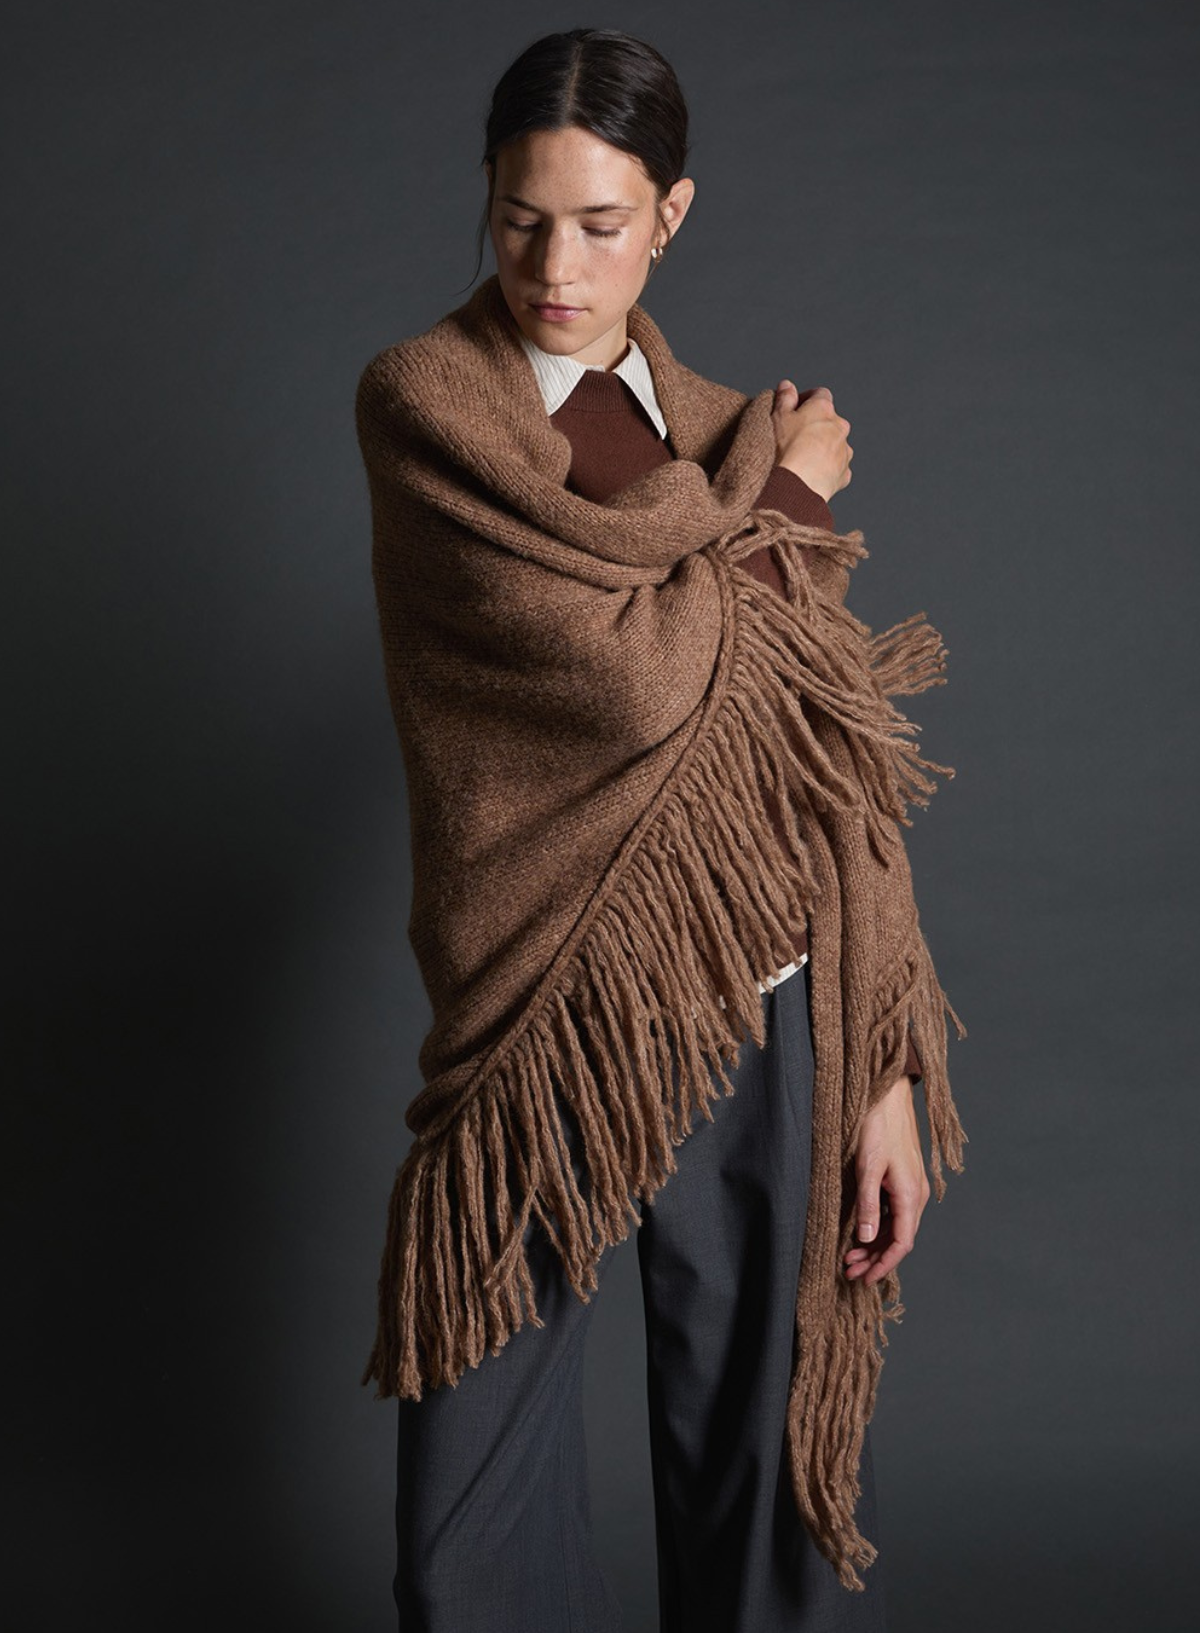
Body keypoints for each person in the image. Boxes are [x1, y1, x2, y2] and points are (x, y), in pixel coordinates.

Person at [354, 26, 968, 1633]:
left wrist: (883, 1067)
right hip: (551, 1005)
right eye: (519, 218)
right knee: (471, 1521)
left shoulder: (721, 423)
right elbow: (628, 677)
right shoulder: (433, 402)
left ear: (671, 215)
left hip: (772, 1003)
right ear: (487, 200)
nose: (555, 268)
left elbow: (825, 752)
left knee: (758, 1460)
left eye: (600, 224)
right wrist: (791, 509)